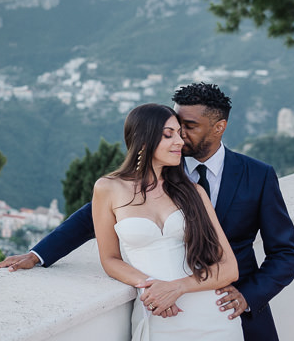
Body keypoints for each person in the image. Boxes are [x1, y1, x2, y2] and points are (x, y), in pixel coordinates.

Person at [0, 82, 294, 341]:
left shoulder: (258, 175)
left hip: (232, 306)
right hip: (165, 312)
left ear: (219, 127)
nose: (180, 137)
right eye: (174, 127)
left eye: (189, 128)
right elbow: (94, 215)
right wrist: (39, 254)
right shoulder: (160, 165)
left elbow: (286, 252)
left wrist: (248, 295)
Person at [93, 103, 241, 339]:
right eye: (168, 135)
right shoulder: (108, 188)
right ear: (143, 140)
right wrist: (151, 286)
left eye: (180, 134)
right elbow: (109, 259)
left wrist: (177, 287)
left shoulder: (193, 192)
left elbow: (229, 268)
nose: (180, 142)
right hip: (159, 313)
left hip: (213, 318)